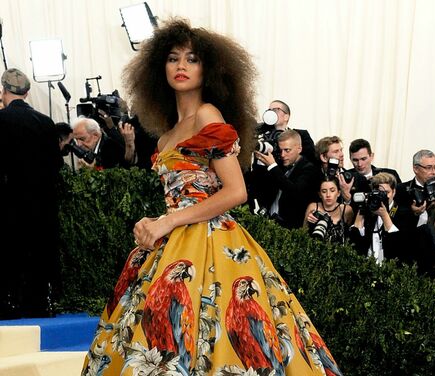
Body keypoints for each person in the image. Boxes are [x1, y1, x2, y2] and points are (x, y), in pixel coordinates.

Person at [81, 19, 341, 376]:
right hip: (173, 241)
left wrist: (168, 221)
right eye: (173, 58)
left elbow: (237, 191)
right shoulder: (164, 137)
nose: (182, 66)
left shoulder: (208, 116)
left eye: (192, 59)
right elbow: (180, 197)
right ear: (161, 68)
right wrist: (156, 221)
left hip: (213, 242)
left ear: (210, 69)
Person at [0, 68, 64, 318]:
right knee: (39, 251)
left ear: (4, 91)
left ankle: (8, 303)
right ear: (27, 93)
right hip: (41, 203)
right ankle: (37, 303)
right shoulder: (45, 122)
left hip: (7, 201)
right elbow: (56, 165)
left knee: (9, 251)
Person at [252, 129, 320, 229]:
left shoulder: (309, 169)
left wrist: (272, 166)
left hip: (291, 228)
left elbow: (294, 191)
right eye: (280, 150)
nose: (283, 155)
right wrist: (260, 162)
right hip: (269, 222)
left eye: (287, 150)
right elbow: (259, 185)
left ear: (299, 149)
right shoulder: (279, 164)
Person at [348, 172, 413, 265]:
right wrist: (361, 210)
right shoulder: (368, 211)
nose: (383, 197)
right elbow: (354, 244)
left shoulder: (404, 213)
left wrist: (385, 215)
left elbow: (399, 246)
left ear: (394, 192)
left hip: (392, 269)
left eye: (386, 192)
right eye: (378, 193)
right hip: (367, 267)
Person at [398, 149, 435, 231]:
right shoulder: (401, 190)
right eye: (428, 168)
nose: (433, 172)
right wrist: (413, 212)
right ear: (416, 169)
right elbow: (395, 220)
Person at [257, 99, 317, 165]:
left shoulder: (301, 135)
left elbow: (310, 160)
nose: (271, 113)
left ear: (286, 117)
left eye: (275, 110)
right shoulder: (261, 134)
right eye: (269, 110)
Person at [304, 177, 355, 244]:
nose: (328, 195)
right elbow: (303, 233)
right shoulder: (313, 207)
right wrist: (308, 222)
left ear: (339, 193)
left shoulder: (346, 210)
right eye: (324, 191)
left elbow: (353, 235)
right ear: (320, 194)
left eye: (332, 190)